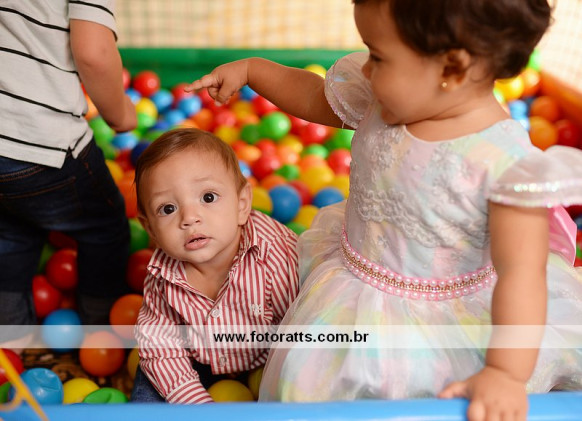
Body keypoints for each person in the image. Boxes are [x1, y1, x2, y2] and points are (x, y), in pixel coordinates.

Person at [188, 0, 582, 419]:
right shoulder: (390, 97)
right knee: (313, 390)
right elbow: (313, 95)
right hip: (353, 290)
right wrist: (254, 70)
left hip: (444, 324)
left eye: (377, 56)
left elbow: (522, 276)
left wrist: (504, 372)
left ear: (452, 67)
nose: (367, 68)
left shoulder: (502, 163)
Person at [0, 0, 136, 343]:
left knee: (10, 232)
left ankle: (10, 339)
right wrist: (120, 113)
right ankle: (100, 329)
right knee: (104, 225)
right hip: (39, 138)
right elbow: (93, 52)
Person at [131, 128, 299, 403]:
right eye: (168, 208)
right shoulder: (161, 275)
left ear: (242, 204)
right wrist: (199, 406)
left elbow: (303, 326)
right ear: (150, 229)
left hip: (271, 357)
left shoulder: (275, 253)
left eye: (208, 197)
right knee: (147, 394)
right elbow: (160, 347)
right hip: (196, 360)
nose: (189, 218)